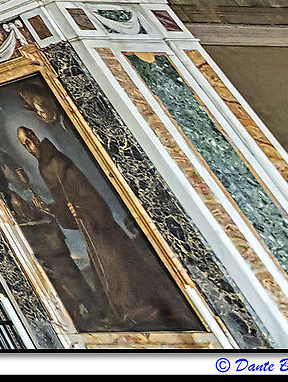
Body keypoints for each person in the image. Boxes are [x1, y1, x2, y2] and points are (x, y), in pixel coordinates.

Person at [17, 124, 193, 329]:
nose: (30, 146)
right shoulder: (44, 166)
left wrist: (82, 208)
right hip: (87, 223)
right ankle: (128, 309)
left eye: (29, 139)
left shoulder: (55, 161)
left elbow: (81, 188)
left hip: (94, 219)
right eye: (25, 145)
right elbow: (63, 198)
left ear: (35, 135)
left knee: (116, 262)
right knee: (105, 265)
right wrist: (52, 207)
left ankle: (139, 307)